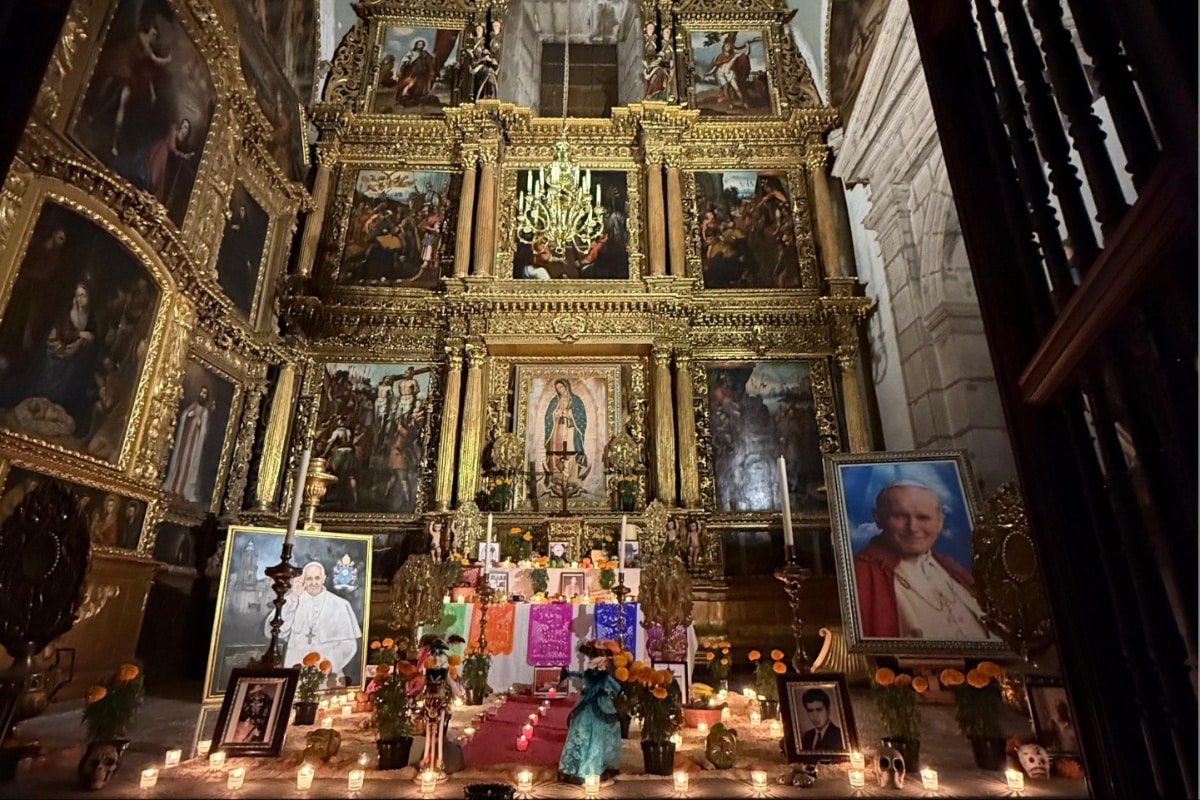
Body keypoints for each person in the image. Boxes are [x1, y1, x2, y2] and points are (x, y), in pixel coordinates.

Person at [853, 480, 995, 640]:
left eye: (923, 517)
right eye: (899, 516)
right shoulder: (861, 574)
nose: (913, 527)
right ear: (878, 518)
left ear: (940, 522)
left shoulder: (951, 569)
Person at [271, 561, 362, 681]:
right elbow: (277, 632)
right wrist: (293, 600)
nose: (313, 583)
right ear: (303, 580)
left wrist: (330, 663)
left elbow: (349, 645)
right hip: (294, 672)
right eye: (309, 579)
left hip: (328, 674)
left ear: (323, 579)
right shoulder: (290, 601)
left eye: (317, 578)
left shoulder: (340, 605)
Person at [558, 640, 621, 784]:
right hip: (599, 704)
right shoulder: (604, 676)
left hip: (588, 703)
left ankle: (579, 767)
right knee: (595, 734)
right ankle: (593, 767)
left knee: (582, 732)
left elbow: (577, 676)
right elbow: (617, 688)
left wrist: (568, 674)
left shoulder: (589, 674)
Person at [163, 384, 212, 503]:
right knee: (179, 462)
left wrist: (199, 423)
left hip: (193, 444)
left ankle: (182, 489)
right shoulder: (193, 406)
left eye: (204, 393)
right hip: (184, 442)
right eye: (201, 392)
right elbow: (184, 415)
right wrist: (188, 417)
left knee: (187, 465)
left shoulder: (205, 412)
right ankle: (173, 487)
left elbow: (204, 430)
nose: (202, 394)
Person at [545, 378, 588, 482]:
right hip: (557, 429)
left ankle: (572, 474)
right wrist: (555, 414)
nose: (559, 390)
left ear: (566, 386)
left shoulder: (576, 400)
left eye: (561, 387)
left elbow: (581, 416)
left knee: (570, 449)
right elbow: (548, 415)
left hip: (570, 429)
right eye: (557, 388)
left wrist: (571, 414)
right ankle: (556, 472)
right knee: (556, 448)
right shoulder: (555, 401)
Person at [395, 39, 437, 106]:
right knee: (407, 87)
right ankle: (402, 102)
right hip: (412, 73)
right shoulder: (411, 53)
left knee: (419, 89)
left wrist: (433, 58)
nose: (420, 46)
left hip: (421, 75)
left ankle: (416, 102)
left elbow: (430, 61)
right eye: (419, 44)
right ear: (416, 45)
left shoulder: (425, 54)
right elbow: (403, 61)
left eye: (422, 45)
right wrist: (399, 70)